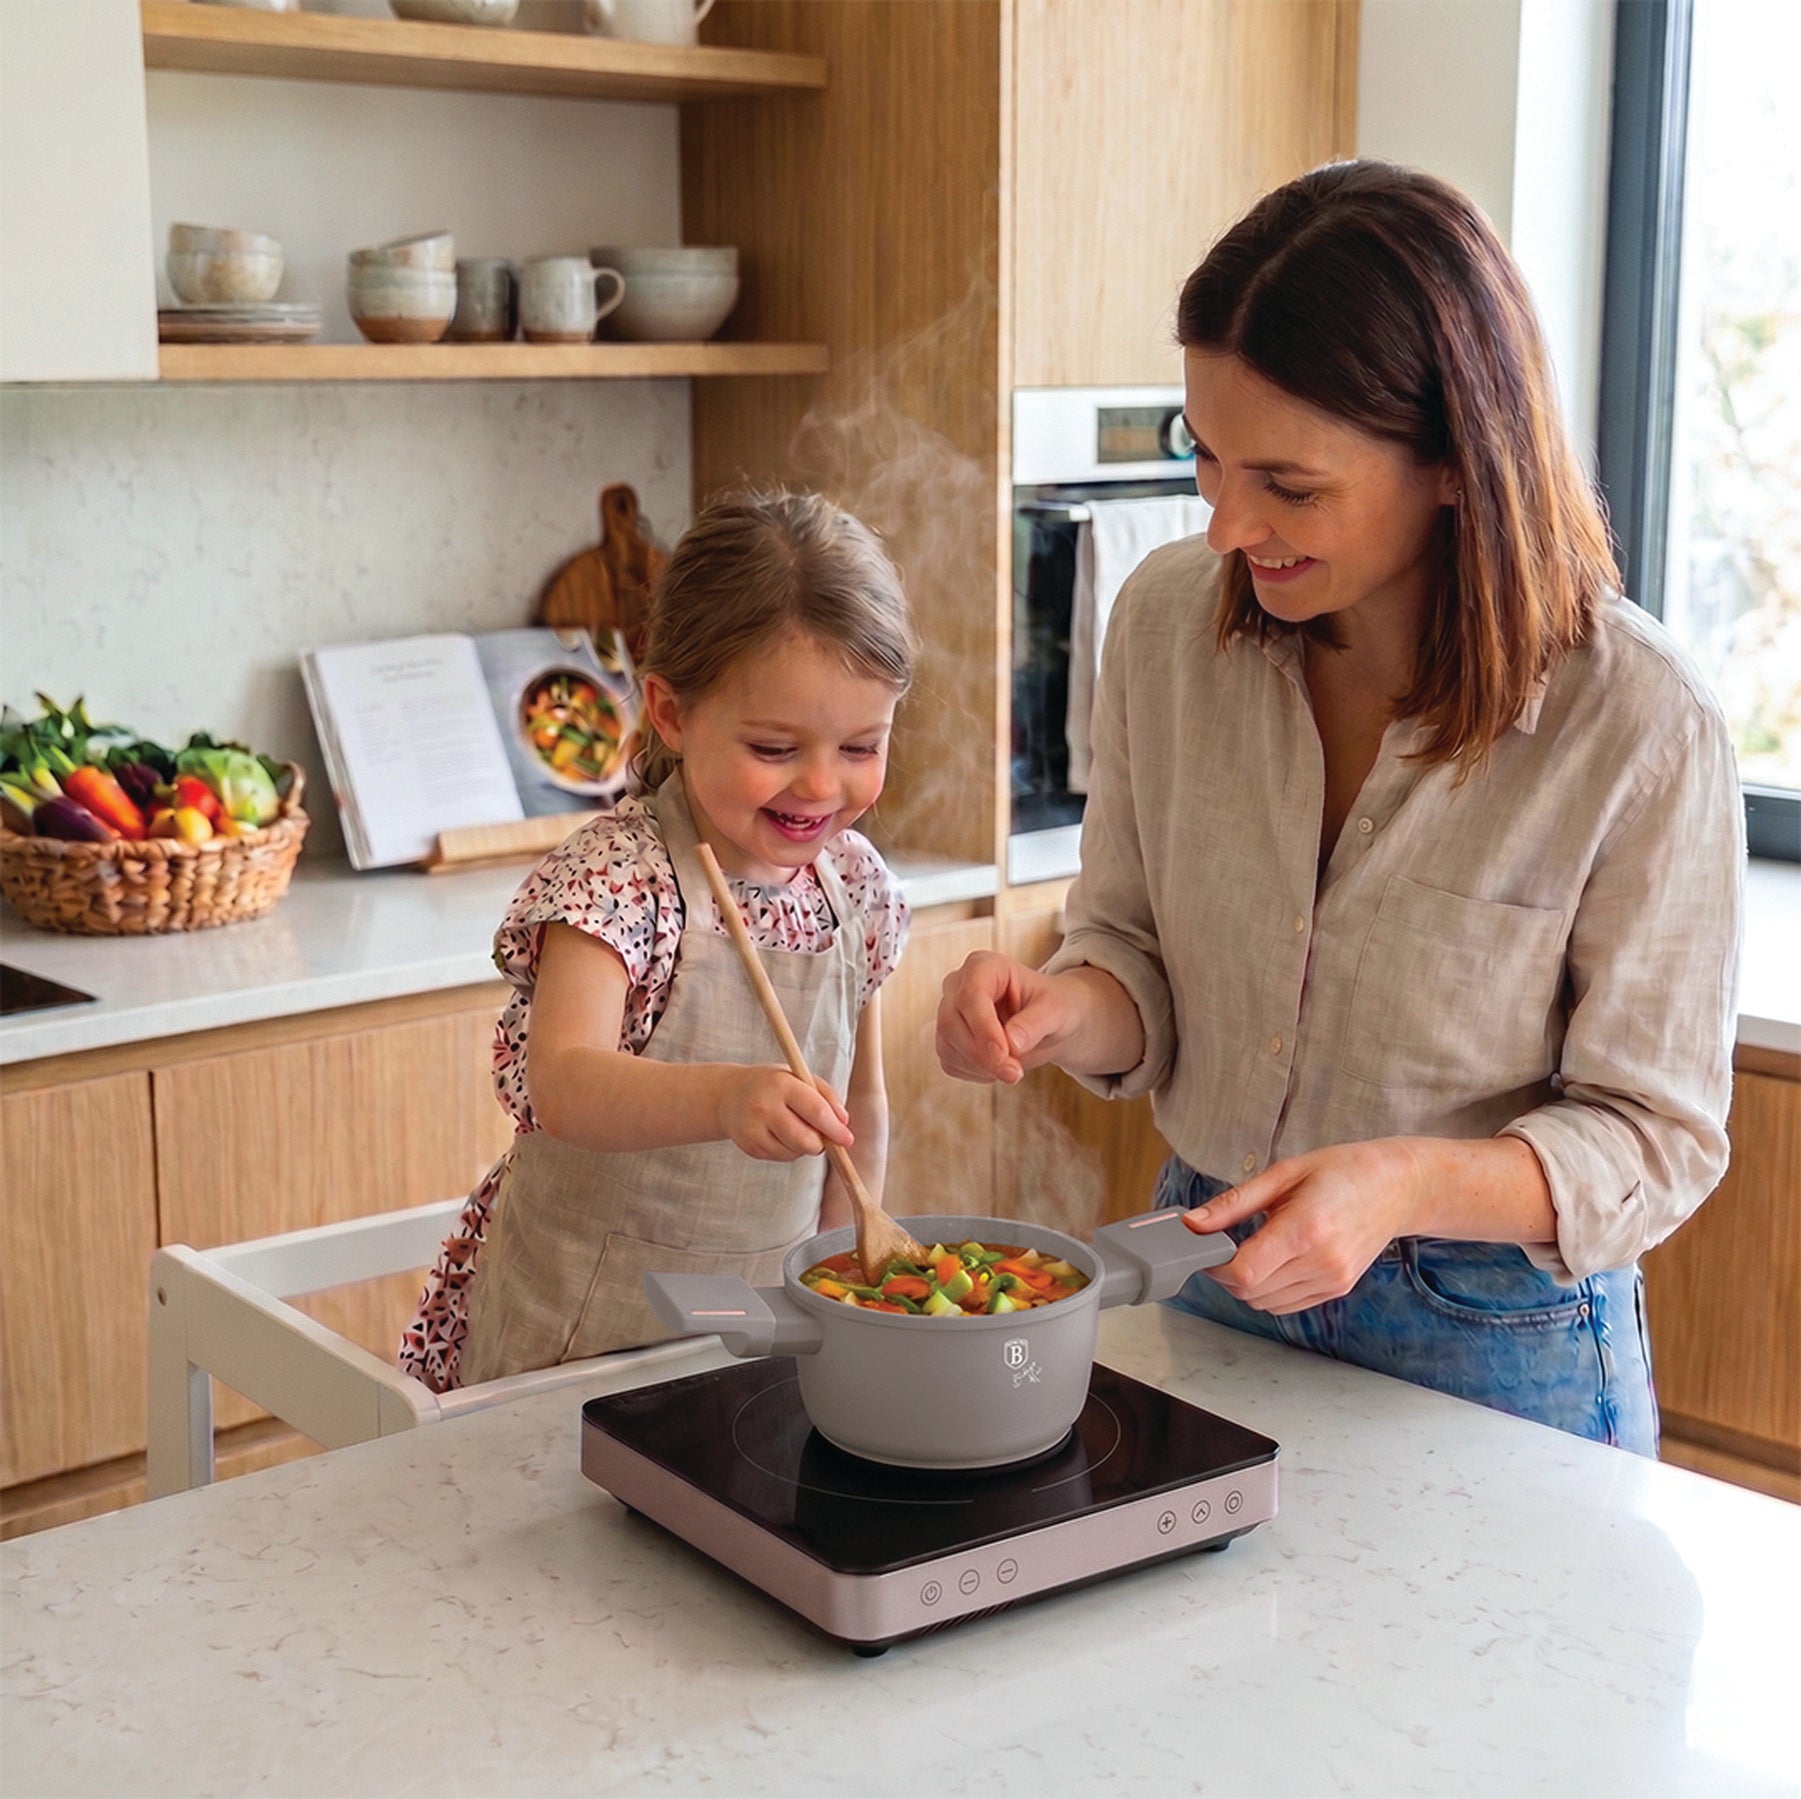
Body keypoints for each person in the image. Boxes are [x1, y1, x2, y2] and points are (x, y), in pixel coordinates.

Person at [936, 161, 1744, 1455]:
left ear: (1450, 459)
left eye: (1288, 484)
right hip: (1209, 1272)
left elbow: (1654, 1136)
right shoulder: (1160, 630)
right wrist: (1061, 1008)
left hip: (1490, 1328)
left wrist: (1402, 1179)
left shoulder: (1636, 721)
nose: (1225, 523)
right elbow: (1127, 946)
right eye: (1202, 455)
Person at [400, 488, 915, 1391]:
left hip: (753, 1341)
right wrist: (723, 1099)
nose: (821, 785)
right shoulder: (619, 875)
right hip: (571, 1338)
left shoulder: (857, 885)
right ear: (671, 715)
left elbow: (858, 1110)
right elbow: (563, 1081)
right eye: (773, 745)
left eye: (862, 745)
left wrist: (845, 1274)